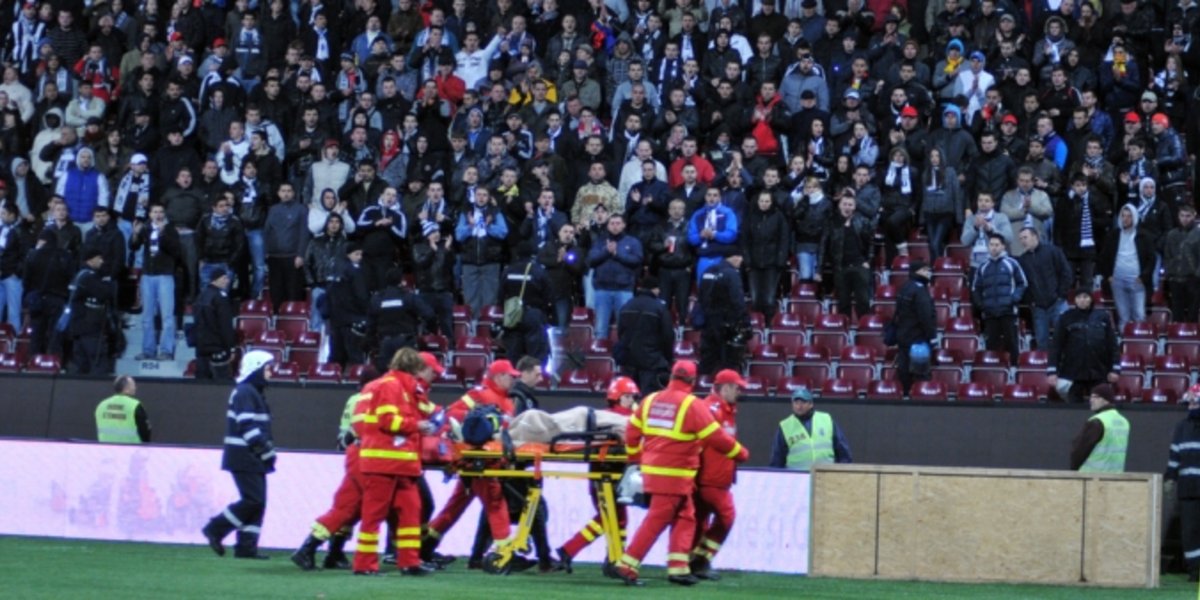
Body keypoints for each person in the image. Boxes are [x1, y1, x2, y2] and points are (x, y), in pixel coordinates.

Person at [613, 360, 748, 587]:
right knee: (656, 520)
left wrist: (635, 459)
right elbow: (716, 437)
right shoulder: (692, 405)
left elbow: (632, 430)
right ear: (693, 381)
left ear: (672, 376)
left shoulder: (650, 400)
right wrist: (740, 453)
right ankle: (627, 566)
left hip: (653, 471)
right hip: (674, 474)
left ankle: (679, 568)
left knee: (687, 517)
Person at [422, 360, 518, 562]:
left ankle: (426, 546)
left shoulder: (508, 402)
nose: (513, 379)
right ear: (498, 376)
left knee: (455, 507)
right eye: (511, 376)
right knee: (495, 502)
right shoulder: (479, 394)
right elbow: (452, 415)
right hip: (477, 461)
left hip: (488, 461)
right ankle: (505, 553)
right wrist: (476, 422)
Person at [350, 348, 436, 576]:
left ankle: (409, 562)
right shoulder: (389, 386)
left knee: (411, 512)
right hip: (383, 463)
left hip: (401, 464)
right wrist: (415, 425)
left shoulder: (404, 387)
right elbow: (387, 420)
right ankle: (364, 564)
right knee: (374, 515)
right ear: (415, 367)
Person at [291, 366, 381, 571]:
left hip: (354, 454)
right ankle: (319, 550)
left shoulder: (353, 399)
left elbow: (343, 435)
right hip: (366, 455)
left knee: (348, 505)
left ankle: (328, 552)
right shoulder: (371, 399)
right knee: (353, 507)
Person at [558, 376, 640, 573]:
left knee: (617, 518)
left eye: (633, 397)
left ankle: (614, 558)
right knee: (609, 518)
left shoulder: (604, 417)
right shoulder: (623, 420)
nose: (631, 400)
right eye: (627, 396)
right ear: (616, 397)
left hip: (605, 475)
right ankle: (570, 550)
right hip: (608, 475)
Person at [201, 350, 278, 560]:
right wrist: (265, 450)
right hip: (245, 456)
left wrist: (265, 452)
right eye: (268, 368)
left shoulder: (251, 391)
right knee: (253, 500)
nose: (272, 372)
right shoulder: (245, 391)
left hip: (250, 456)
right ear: (256, 368)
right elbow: (247, 425)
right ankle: (216, 528)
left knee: (257, 502)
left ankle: (246, 547)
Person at [690, 369, 746, 581]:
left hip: (715, 477)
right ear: (723, 387)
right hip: (710, 478)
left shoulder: (726, 409)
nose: (738, 391)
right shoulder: (711, 409)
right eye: (735, 387)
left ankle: (693, 560)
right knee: (726, 516)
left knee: (699, 521)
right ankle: (701, 559)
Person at [130, 204, 182, 361]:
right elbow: (133, 246)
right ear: (150, 214)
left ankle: (166, 350)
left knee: (166, 315)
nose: (158, 214)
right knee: (147, 316)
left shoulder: (170, 230)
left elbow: (176, 252)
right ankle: (148, 350)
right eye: (155, 212)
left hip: (165, 276)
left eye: (160, 212)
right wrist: (134, 234)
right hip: (148, 275)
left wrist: (162, 235)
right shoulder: (145, 229)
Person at [1048, 289, 1120, 403]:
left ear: (1091, 299)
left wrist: (1115, 369)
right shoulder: (1066, 317)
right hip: (1072, 373)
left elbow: (1112, 345)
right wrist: (1052, 371)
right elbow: (1056, 346)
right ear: (1075, 300)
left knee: (1100, 407)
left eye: (1086, 297)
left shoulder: (1103, 317)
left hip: (1099, 372)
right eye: (1079, 297)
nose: (1082, 300)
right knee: (1072, 410)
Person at [971, 234, 1027, 365]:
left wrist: (1013, 299)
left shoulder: (1012, 263)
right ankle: (993, 373)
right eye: (991, 245)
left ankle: (1014, 371)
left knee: (1012, 344)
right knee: (991, 345)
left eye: (997, 245)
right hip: (990, 313)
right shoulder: (983, 266)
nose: (994, 248)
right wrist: (982, 305)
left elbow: (1022, 283)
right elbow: (975, 288)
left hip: (1008, 311)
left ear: (1002, 246)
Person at [587, 213, 644, 340]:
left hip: (624, 290)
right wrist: (607, 252)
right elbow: (591, 260)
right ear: (607, 226)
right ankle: (599, 357)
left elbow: (637, 260)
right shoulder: (600, 241)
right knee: (600, 329)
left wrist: (617, 254)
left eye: (618, 223)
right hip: (602, 290)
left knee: (625, 328)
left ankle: (624, 358)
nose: (615, 226)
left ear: (623, 225)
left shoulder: (633, 242)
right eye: (612, 223)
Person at [1099, 204, 1155, 329]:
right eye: (1123, 216)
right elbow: (1104, 257)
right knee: (1123, 317)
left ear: (1134, 217)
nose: (1125, 219)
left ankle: (1139, 344)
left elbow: (1151, 259)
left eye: (1129, 216)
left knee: (1139, 315)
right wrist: (1108, 276)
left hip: (1137, 281)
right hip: (1117, 280)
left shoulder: (1144, 236)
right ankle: (1124, 345)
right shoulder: (1113, 235)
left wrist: (1143, 277)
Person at [615, 276, 675, 393]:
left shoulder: (627, 306)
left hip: (629, 360)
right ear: (655, 289)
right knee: (649, 399)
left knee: (630, 397)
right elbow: (668, 336)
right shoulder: (659, 308)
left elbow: (620, 332)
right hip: (652, 361)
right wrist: (667, 359)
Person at [1017, 227, 1072, 352]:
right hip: (1038, 307)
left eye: (1025, 237)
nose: (1022, 241)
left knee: (1066, 338)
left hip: (1058, 303)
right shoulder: (1023, 260)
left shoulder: (1053, 251)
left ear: (1035, 236)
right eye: (1020, 239)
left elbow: (1066, 273)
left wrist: (1061, 295)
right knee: (1042, 342)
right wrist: (1031, 301)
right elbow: (1023, 283)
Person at [768, 387, 852, 469]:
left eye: (803, 402)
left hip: (824, 475)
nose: (799, 406)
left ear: (811, 404)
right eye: (796, 402)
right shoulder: (785, 426)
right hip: (797, 477)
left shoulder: (826, 419)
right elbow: (777, 458)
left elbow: (842, 449)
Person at [369, 267, 434, 374]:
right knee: (408, 374)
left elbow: (371, 322)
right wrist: (425, 328)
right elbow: (429, 314)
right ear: (402, 281)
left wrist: (371, 340)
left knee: (386, 377)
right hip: (405, 342)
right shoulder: (408, 297)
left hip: (385, 342)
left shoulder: (378, 298)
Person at [819, 192, 874, 318]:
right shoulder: (831, 222)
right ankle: (845, 327)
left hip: (859, 266)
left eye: (850, 204)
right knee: (843, 302)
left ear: (854, 207)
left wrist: (868, 262)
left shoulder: (862, 221)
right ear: (839, 205)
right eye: (844, 204)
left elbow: (870, 243)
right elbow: (823, 245)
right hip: (840, 267)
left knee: (863, 301)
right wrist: (819, 269)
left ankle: (863, 331)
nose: (847, 207)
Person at [1166, 384, 1200, 582]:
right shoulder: (1182, 427)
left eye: (1195, 401)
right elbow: (1175, 455)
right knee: (1190, 532)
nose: (1191, 405)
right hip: (1188, 490)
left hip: (1190, 488)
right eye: (1190, 401)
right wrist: (1170, 477)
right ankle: (1195, 570)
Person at [697, 251, 749, 375]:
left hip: (708, 323)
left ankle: (703, 388)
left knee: (707, 361)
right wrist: (744, 321)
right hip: (726, 326)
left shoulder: (708, 271)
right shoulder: (731, 274)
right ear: (735, 257)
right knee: (727, 364)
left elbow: (701, 296)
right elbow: (737, 301)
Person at [66, 248, 115, 375]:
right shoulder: (89, 277)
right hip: (89, 327)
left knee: (80, 364)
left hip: (77, 326)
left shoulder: (79, 275)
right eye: (99, 258)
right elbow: (104, 293)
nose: (102, 261)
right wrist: (108, 283)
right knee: (97, 361)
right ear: (91, 259)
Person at [500, 245, 552, 364]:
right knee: (535, 356)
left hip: (512, 316)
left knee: (513, 353)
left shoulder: (508, 270)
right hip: (533, 314)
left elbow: (501, 295)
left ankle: (513, 379)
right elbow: (548, 297)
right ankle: (533, 380)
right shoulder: (539, 271)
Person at [894, 260, 937, 397]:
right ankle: (920, 402)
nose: (928, 273)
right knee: (921, 375)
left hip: (903, 337)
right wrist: (932, 336)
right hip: (918, 339)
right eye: (924, 270)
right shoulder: (920, 290)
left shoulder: (905, 287)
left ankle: (905, 397)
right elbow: (926, 317)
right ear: (916, 272)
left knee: (904, 373)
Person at [327, 243, 370, 368]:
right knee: (355, 356)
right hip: (352, 320)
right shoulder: (355, 271)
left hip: (336, 320)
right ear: (348, 255)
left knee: (336, 357)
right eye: (356, 254)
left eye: (361, 254)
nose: (360, 257)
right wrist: (366, 313)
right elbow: (361, 295)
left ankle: (333, 382)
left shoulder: (334, 270)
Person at [1069, 383, 1129, 472]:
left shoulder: (1097, 421)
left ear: (1106, 400)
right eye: (1091, 397)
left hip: (1092, 477)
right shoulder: (1124, 422)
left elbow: (1079, 450)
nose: (1091, 400)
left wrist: (1074, 470)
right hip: (1115, 477)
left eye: (1095, 397)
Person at [193, 268, 237, 380]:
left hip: (201, 349)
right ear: (216, 279)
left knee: (202, 385)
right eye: (224, 278)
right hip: (217, 349)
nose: (227, 281)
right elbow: (225, 325)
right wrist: (231, 348)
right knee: (222, 384)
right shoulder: (220, 297)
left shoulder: (201, 296)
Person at [1163, 205, 1199, 323]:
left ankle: (1192, 338)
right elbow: (1167, 255)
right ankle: (1176, 337)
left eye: (1188, 216)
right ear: (1178, 216)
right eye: (1182, 216)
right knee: (1176, 313)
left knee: (1193, 314)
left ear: (1194, 215)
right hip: (1175, 279)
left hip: (1193, 280)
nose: (1185, 219)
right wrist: (1169, 271)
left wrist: (1197, 273)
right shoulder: (1172, 234)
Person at [94, 375, 151, 444]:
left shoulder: (101, 405)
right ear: (126, 388)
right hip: (131, 450)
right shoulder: (135, 405)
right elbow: (145, 431)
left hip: (106, 450)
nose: (135, 388)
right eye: (133, 385)